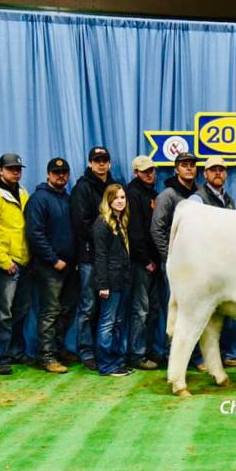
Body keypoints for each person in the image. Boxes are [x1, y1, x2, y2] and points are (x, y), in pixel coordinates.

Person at [150, 151, 203, 371]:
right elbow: (157, 229)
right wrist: (170, 257)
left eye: (192, 165)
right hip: (175, 264)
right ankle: (172, 355)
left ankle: (195, 356)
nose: (189, 168)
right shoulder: (168, 195)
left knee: (196, 308)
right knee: (174, 308)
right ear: (176, 169)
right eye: (184, 165)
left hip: (197, 263)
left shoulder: (200, 194)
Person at [25, 158, 79, 374]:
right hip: (49, 266)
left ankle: (58, 350)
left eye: (64, 172)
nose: (61, 175)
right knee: (50, 311)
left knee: (65, 310)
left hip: (69, 265)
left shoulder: (67, 198)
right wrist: (53, 259)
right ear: (48, 174)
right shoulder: (39, 199)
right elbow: (35, 234)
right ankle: (46, 356)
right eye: (56, 172)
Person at [191, 156, 236, 369]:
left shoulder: (229, 200)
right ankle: (198, 358)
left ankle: (220, 356)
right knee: (199, 313)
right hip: (204, 265)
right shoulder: (197, 199)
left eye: (221, 169)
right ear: (205, 174)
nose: (218, 173)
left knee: (223, 313)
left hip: (225, 264)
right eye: (213, 170)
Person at [0, 153, 32, 374]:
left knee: (21, 310)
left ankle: (16, 352)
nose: (15, 172)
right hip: (6, 262)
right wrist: (2, 260)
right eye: (11, 168)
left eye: (18, 169)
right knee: (3, 312)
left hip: (24, 259)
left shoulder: (23, 193)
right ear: (0, 170)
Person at [71, 146, 116, 371]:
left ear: (109, 163)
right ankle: (86, 351)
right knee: (88, 306)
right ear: (90, 163)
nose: (101, 163)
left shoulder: (114, 187)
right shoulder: (82, 187)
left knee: (107, 308)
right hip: (89, 256)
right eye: (97, 160)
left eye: (104, 160)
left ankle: (104, 350)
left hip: (110, 257)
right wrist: (102, 240)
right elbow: (81, 223)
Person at [93, 184, 134, 377]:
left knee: (118, 322)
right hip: (110, 281)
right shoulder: (102, 223)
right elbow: (100, 256)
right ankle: (106, 365)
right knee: (107, 323)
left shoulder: (120, 222)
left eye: (122, 197)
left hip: (123, 279)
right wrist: (103, 285)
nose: (120, 201)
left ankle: (117, 362)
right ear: (108, 200)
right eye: (116, 198)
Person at [126, 155, 161, 371]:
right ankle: (137, 354)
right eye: (145, 171)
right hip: (142, 262)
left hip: (154, 260)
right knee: (141, 309)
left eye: (151, 170)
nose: (150, 174)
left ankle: (148, 350)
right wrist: (145, 259)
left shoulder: (153, 194)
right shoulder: (133, 193)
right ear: (136, 173)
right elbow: (135, 230)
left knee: (153, 309)